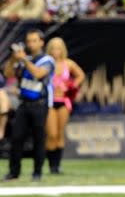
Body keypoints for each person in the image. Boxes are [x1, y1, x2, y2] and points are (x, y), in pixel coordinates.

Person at [3, 29, 55, 182]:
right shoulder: (23, 58)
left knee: (39, 139)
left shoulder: (47, 60)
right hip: (24, 103)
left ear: (41, 42)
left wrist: (25, 60)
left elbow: (38, 74)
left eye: (34, 40)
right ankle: (14, 172)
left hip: (40, 104)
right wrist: (13, 59)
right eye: (29, 41)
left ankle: (37, 172)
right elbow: (8, 74)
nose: (30, 44)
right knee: (16, 138)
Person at [45, 37, 85, 174]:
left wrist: (72, 85)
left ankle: (57, 166)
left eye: (58, 47)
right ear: (49, 49)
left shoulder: (68, 64)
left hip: (63, 101)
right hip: (49, 102)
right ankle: (51, 165)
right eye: (53, 47)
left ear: (63, 49)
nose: (56, 50)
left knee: (60, 133)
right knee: (52, 133)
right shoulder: (46, 63)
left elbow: (80, 75)